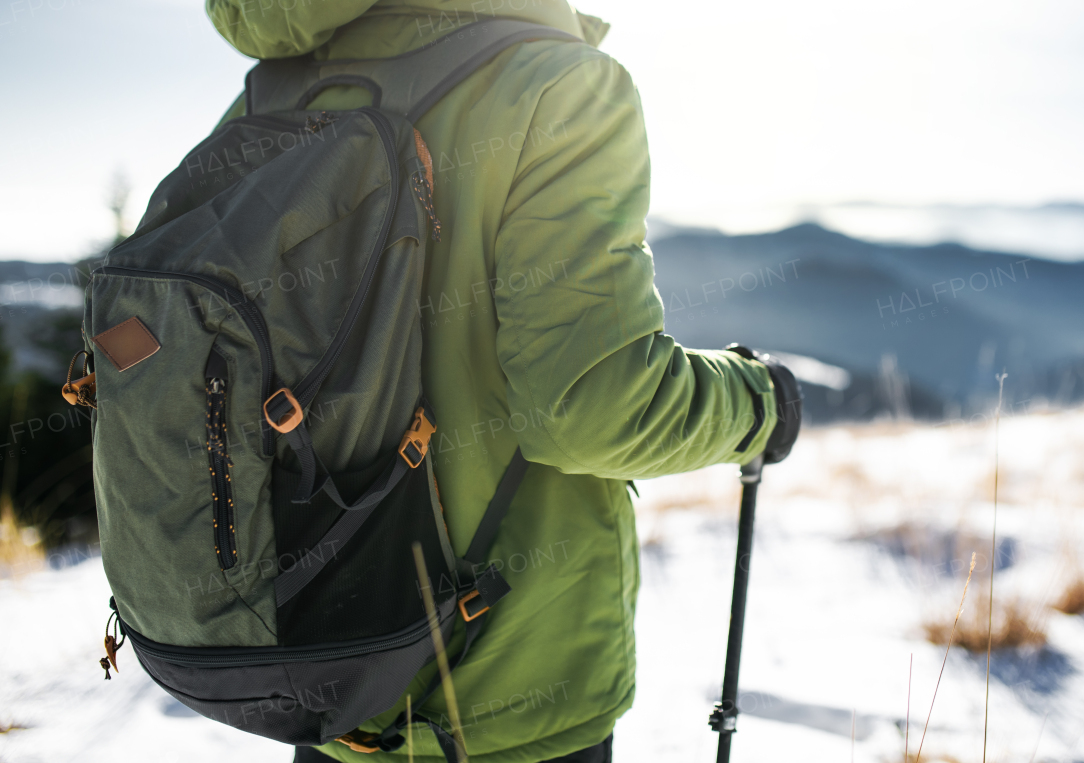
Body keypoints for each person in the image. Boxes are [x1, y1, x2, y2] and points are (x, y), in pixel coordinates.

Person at [203, 1, 802, 760]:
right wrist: (758, 403)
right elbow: (592, 408)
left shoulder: (265, 99)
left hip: (325, 682)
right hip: (513, 696)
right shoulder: (556, 85)